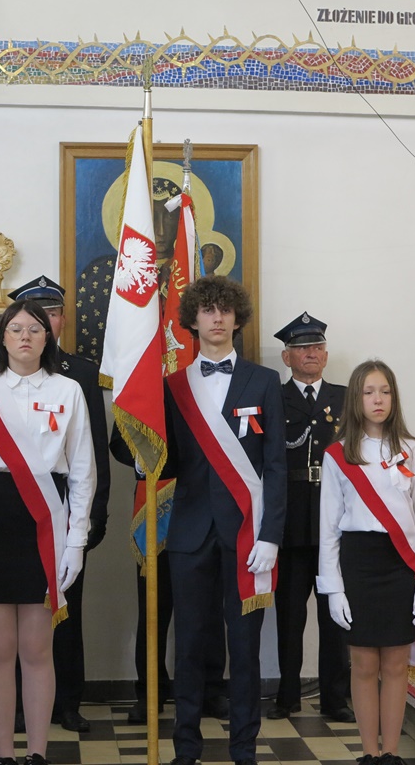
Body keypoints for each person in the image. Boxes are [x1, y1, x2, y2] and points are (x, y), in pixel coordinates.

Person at [0, 299, 95, 765]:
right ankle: (3, 754)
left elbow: (83, 472)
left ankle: (37, 754)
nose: (25, 336)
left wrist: (76, 540)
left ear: (48, 337)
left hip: (46, 521)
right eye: (15, 329)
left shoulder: (69, 390)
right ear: (3, 338)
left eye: (34, 328)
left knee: (36, 648)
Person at [162, 275, 286, 765]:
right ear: (192, 320)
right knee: (189, 647)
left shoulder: (264, 381)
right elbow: (165, 462)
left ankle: (244, 749)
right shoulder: (173, 386)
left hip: (247, 535)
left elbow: (276, 466)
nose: (217, 318)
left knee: (246, 649)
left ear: (237, 319)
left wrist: (271, 536)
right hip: (189, 535)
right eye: (207, 310)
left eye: (225, 310)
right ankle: (186, 748)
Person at [0, 276, 111, 733]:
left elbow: (94, 451)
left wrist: (95, 514)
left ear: (62, 321)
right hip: (13, 511)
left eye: (52, 313)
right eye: (34, 315)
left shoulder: (80, 372)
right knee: (17, 607)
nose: (43, 322)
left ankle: (67, 703)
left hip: (66, 510)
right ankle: (20, 704)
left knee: (66, 609)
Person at [317, 361, 415, 765]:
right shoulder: (338, 455)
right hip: (358, 563)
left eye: (384, 391)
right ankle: (369, 753)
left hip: (400, 562)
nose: (378, 399)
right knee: (364, 663)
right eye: (369, 392)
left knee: (396, 662)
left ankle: (390, 754)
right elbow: (328, 527)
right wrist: (333, 587)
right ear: (356, 398)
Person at [109, 426, 230, 725]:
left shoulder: (205, 392)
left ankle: (210, 689)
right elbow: (120, 439)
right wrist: (144, 460)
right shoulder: (143, 392)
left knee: (208, 605)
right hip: (154, 504)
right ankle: (150, 691)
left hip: (202, 498)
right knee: (153, 608)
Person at [268, 313, 353, 723]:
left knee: (335, 614)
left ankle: (335, 698)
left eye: (317, 347)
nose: (311, 354)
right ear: (287, 357)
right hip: (291, 521)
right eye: (302, 348)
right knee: (289, 616)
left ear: (326, 354)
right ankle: (287, 696)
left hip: (334, 522)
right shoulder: (274, 397)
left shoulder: (345, 397)